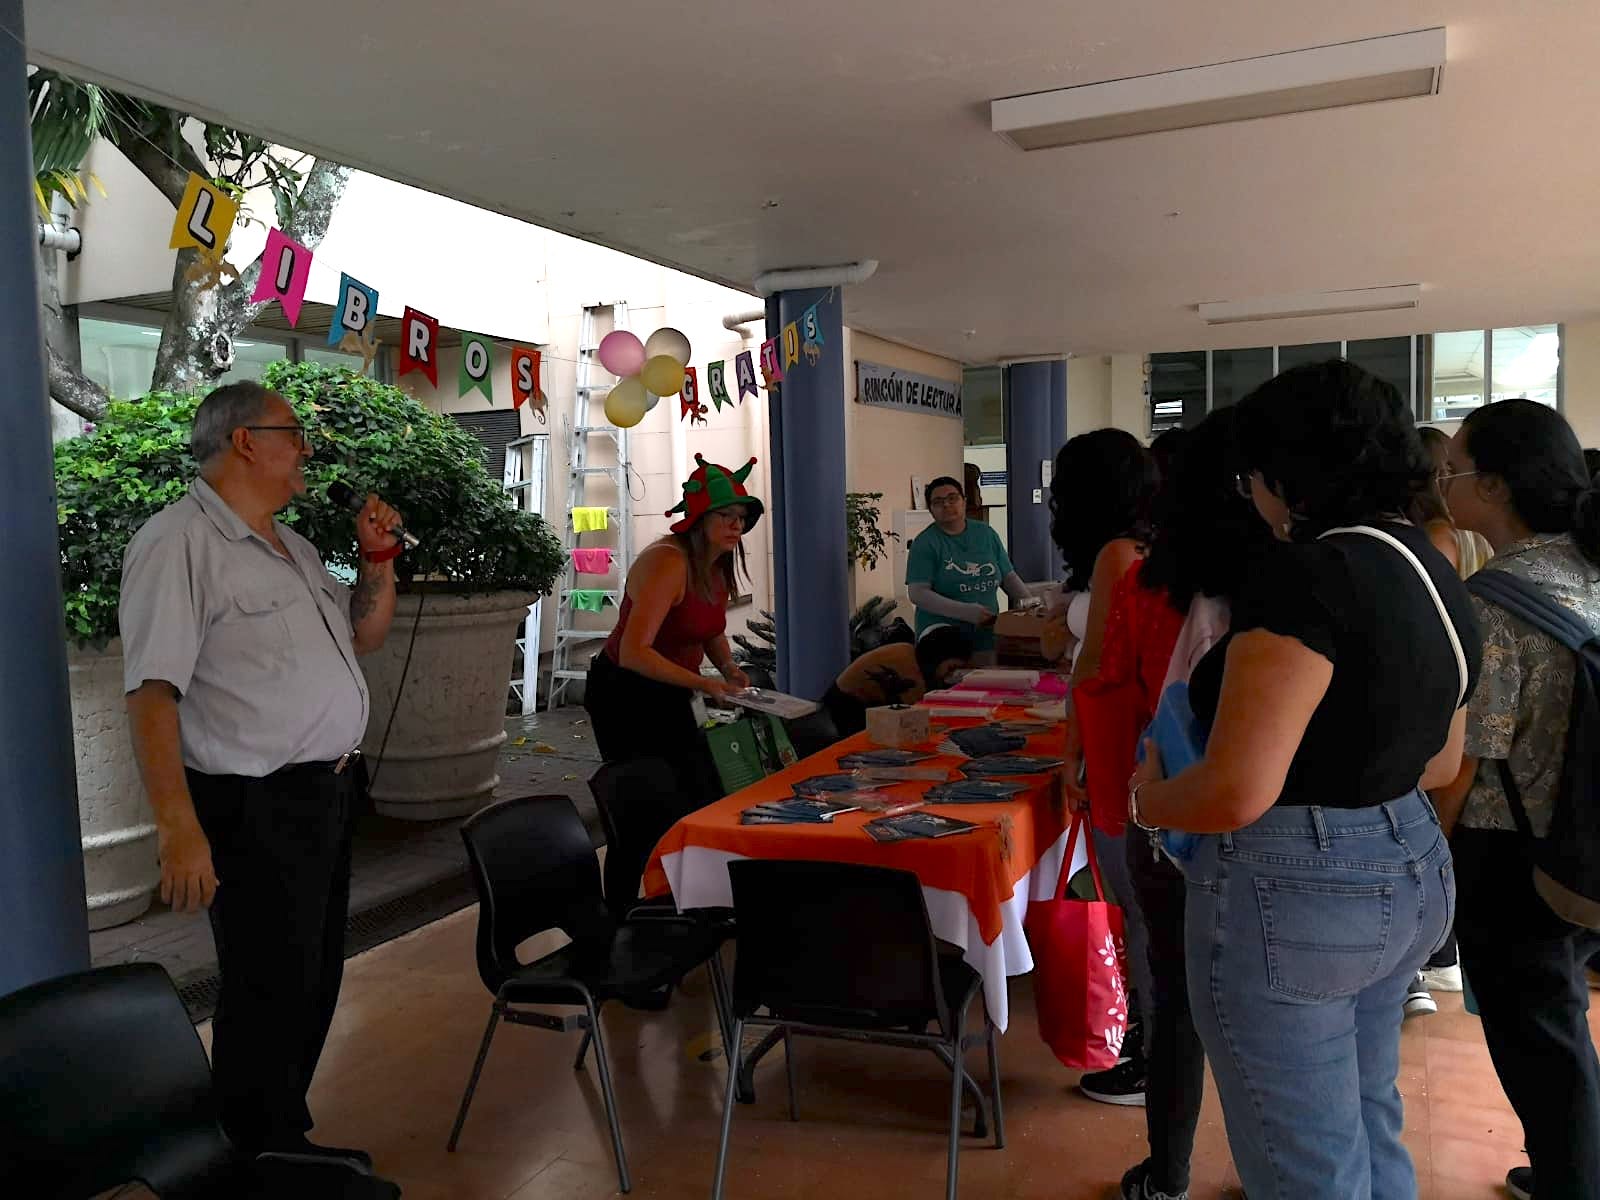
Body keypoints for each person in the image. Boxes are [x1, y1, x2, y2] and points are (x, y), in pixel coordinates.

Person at [1128, 361, 1481, 1200]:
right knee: (1365, 1115)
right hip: (1410, 864)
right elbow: (1440, 760)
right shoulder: (1433, 567)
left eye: (1254, 474)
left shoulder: (1304, 577)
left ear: (1288, 473)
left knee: (1303, 1165)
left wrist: (1144, 799)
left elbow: (1235, 791)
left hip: (1297, 890)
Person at [120, 380, 403, 1164]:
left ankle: (281, 1137)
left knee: (310, 975)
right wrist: (180, 831)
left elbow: (365, 635)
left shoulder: (293, 546)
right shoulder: (177, 545)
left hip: (329, 791)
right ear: (245, 442)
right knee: (265, 983)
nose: (305, 447)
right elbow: (151, 695)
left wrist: (378, 560)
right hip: (253, 805)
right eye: (293, 433)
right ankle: (251, 1152)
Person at [1076, 409, 1271, 1200]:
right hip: (1270, 821)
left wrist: (1118, 794)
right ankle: (1268, 1171)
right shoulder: (1286, 580)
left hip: (1163, 813)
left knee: (1176, 998)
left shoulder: (1144, 580)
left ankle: (1168, 1174)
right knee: (1274, 1017)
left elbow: (1109, 686)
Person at [1428, 400, 1600, 1200]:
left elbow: (1466, 761)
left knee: (1537, 1035)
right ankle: (1572, 1164)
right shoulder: (1587, 566)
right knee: (1559, 1023)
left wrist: (1433, 859)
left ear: (1493, 486)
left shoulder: (1493, 599)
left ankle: (1573, 1178)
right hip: (1584, 828)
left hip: (1518, 850)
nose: (1443, 480)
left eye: (1454, 469)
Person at [1051, 427, 1157, 1106]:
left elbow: (1094, 668)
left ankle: (1148, 1056)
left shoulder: (1118, 554)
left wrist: (1071, 753)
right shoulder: (1143, 544)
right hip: (1137, 733)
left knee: (1136, 904)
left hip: (1117, 737)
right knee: (1139, 902)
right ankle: (1149, 1044)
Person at [585, 455, 759, 802]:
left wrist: (727, 668)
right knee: (656, 795)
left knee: (697, 782)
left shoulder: (717, 561)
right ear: (698, 520)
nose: (737, 525)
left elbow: (708, 627)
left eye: (741, 517)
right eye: (727, 515)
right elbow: (635, 653)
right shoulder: (668, 561)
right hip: (627, 691)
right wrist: (706, 683)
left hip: (674, 686)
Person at [906, 475, 1034, 651]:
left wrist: (1032, 606)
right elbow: (917, 593)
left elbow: (1008, 576)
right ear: (930, 509)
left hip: (987, 633)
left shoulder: (986, 534)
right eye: (938, 501)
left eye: (952, 498)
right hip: (943, 639)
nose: (946, 504)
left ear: (964, 501)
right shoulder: (925, 543)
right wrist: (966, 612)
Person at [820, 623, 974, 737]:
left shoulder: (907, 651)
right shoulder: (910, 671)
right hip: (842, 713)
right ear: (940, 658)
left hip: (848, 706)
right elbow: (915, 720)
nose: (950, 676)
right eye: (951, 668)